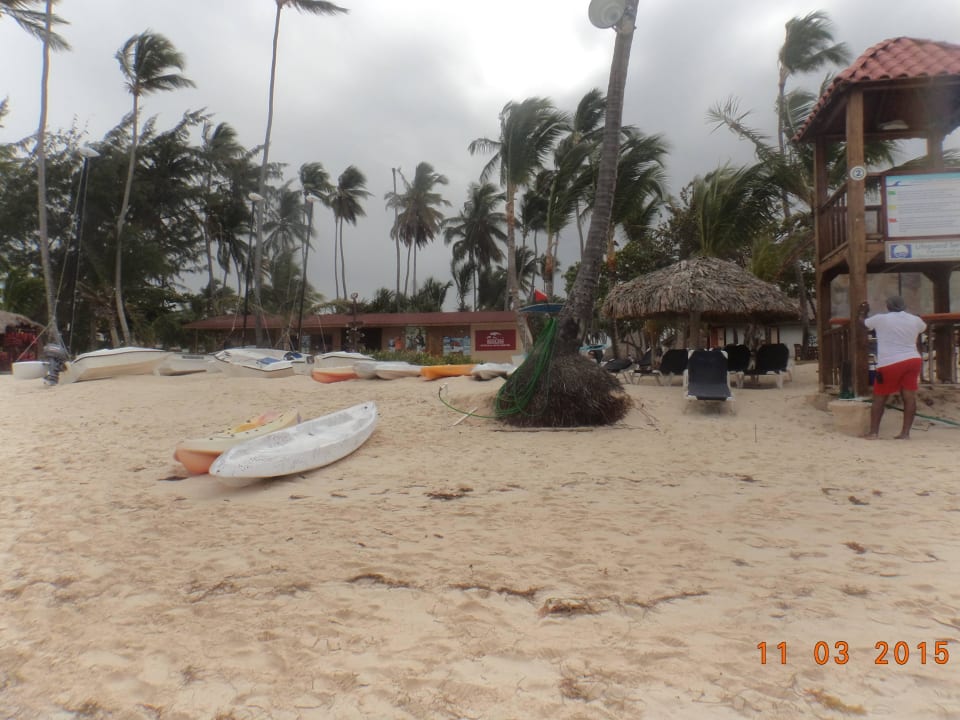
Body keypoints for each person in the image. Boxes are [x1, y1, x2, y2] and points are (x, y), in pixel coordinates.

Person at [858, 296, 926, 439]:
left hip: (890, 362)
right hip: (913, 359)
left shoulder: (881, 319)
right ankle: (905, 433)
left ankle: (873, 432)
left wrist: (862, 312)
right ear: (904, 306)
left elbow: (863, 323)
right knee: (909, 396)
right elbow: (923, 327)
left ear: (888, 306)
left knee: (880, 397)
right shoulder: (915, 320)